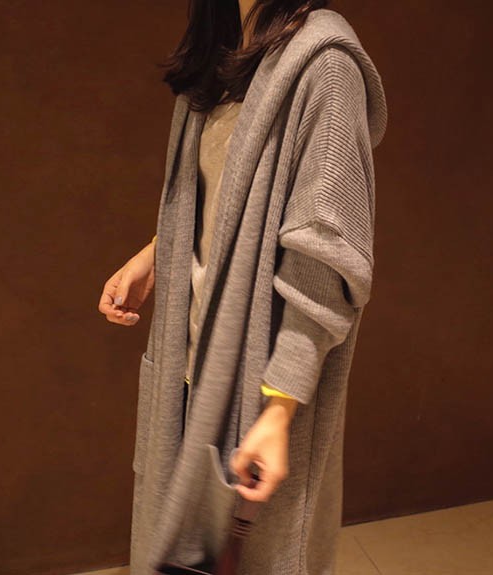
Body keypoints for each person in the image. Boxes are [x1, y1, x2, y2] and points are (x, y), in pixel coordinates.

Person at [98, 1, 387, 574]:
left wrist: (279, 410)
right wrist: (157, 252)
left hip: (264, 386)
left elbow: (324, 259)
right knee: (179, 556)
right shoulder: (224, 50)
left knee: (256, 559)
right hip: (187, 366)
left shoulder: (325, 64)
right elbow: (221, 200)